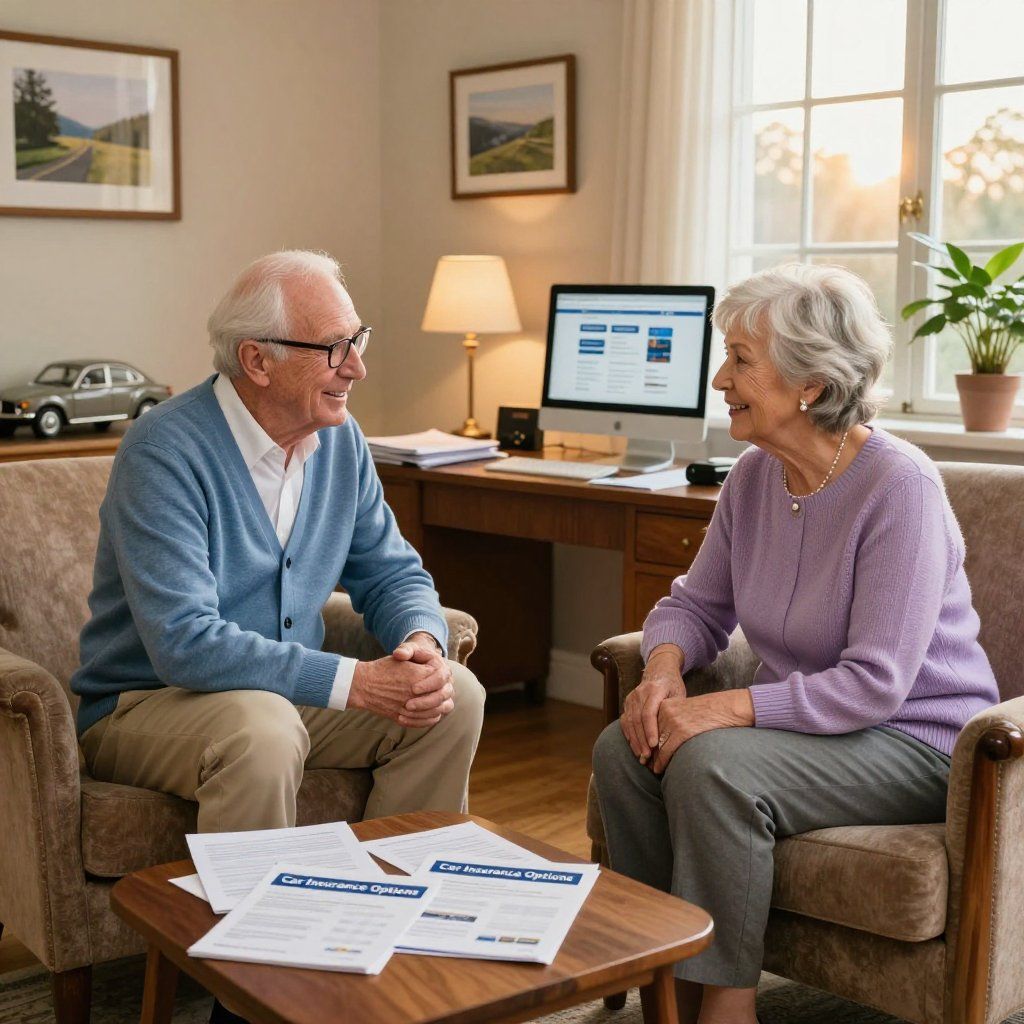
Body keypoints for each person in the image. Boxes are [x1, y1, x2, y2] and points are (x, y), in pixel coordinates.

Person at [592, 263, 999, 1024]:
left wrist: (727, 710)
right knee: (626, 747)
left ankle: (728, 1007)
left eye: (742, 359)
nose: (720, 379)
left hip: (916, 737)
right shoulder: (754, 476)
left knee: (713, 766)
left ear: (811, 382)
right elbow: (694, 605)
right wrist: (663, 670)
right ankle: (664, 989)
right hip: (815, 729)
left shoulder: (898, 488)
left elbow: (876, 684)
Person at [73, 249, 485, 834]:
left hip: (280, 701)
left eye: (357, 340)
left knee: (453, 699)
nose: (356, 369)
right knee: (264, 729)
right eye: (334, 348)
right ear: (257, 361)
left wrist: (421, 643)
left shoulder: (339, 443)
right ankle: (259, 923)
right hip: (149, 704)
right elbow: (185, 643)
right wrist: (359, 681)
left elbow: (393, 575)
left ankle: (392, 896)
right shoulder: (163, 451)